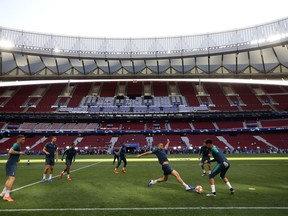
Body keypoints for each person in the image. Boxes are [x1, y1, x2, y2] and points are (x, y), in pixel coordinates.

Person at [0, 135, 25, 202]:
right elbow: (10, 151)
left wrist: (16, 159)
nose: (24, 140)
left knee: (9, 179)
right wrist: (19, 153)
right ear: (18, 139)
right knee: (12, 179)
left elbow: (10, 153)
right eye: (22, 139)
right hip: (11, 164)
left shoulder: (16, 145)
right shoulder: (16, 144)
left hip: (10, 163)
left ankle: (3, 193)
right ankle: (7, 196)